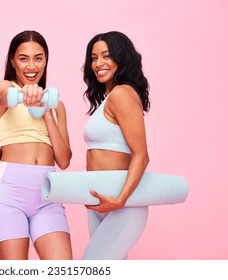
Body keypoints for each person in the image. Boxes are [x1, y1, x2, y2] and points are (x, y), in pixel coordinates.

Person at [0, 30, 73, 260]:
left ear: (46, 60)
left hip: (48, 195)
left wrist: (46, 112)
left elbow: (64, 161)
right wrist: (24, 95)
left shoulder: (57, 106)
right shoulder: (3, 90)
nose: (31, 66)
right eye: (23, 58)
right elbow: (3, 94)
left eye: (38, 57)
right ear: (13, 61)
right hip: (9, 195)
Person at [81, 31, 151, 259]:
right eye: (93, 58)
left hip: (121, 204)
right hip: (100, 202)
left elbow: (141, 155)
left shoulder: (122, 94)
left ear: (121, 58)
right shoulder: (107, 98)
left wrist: (120, 200)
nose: (98, 63)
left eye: (106, 56)